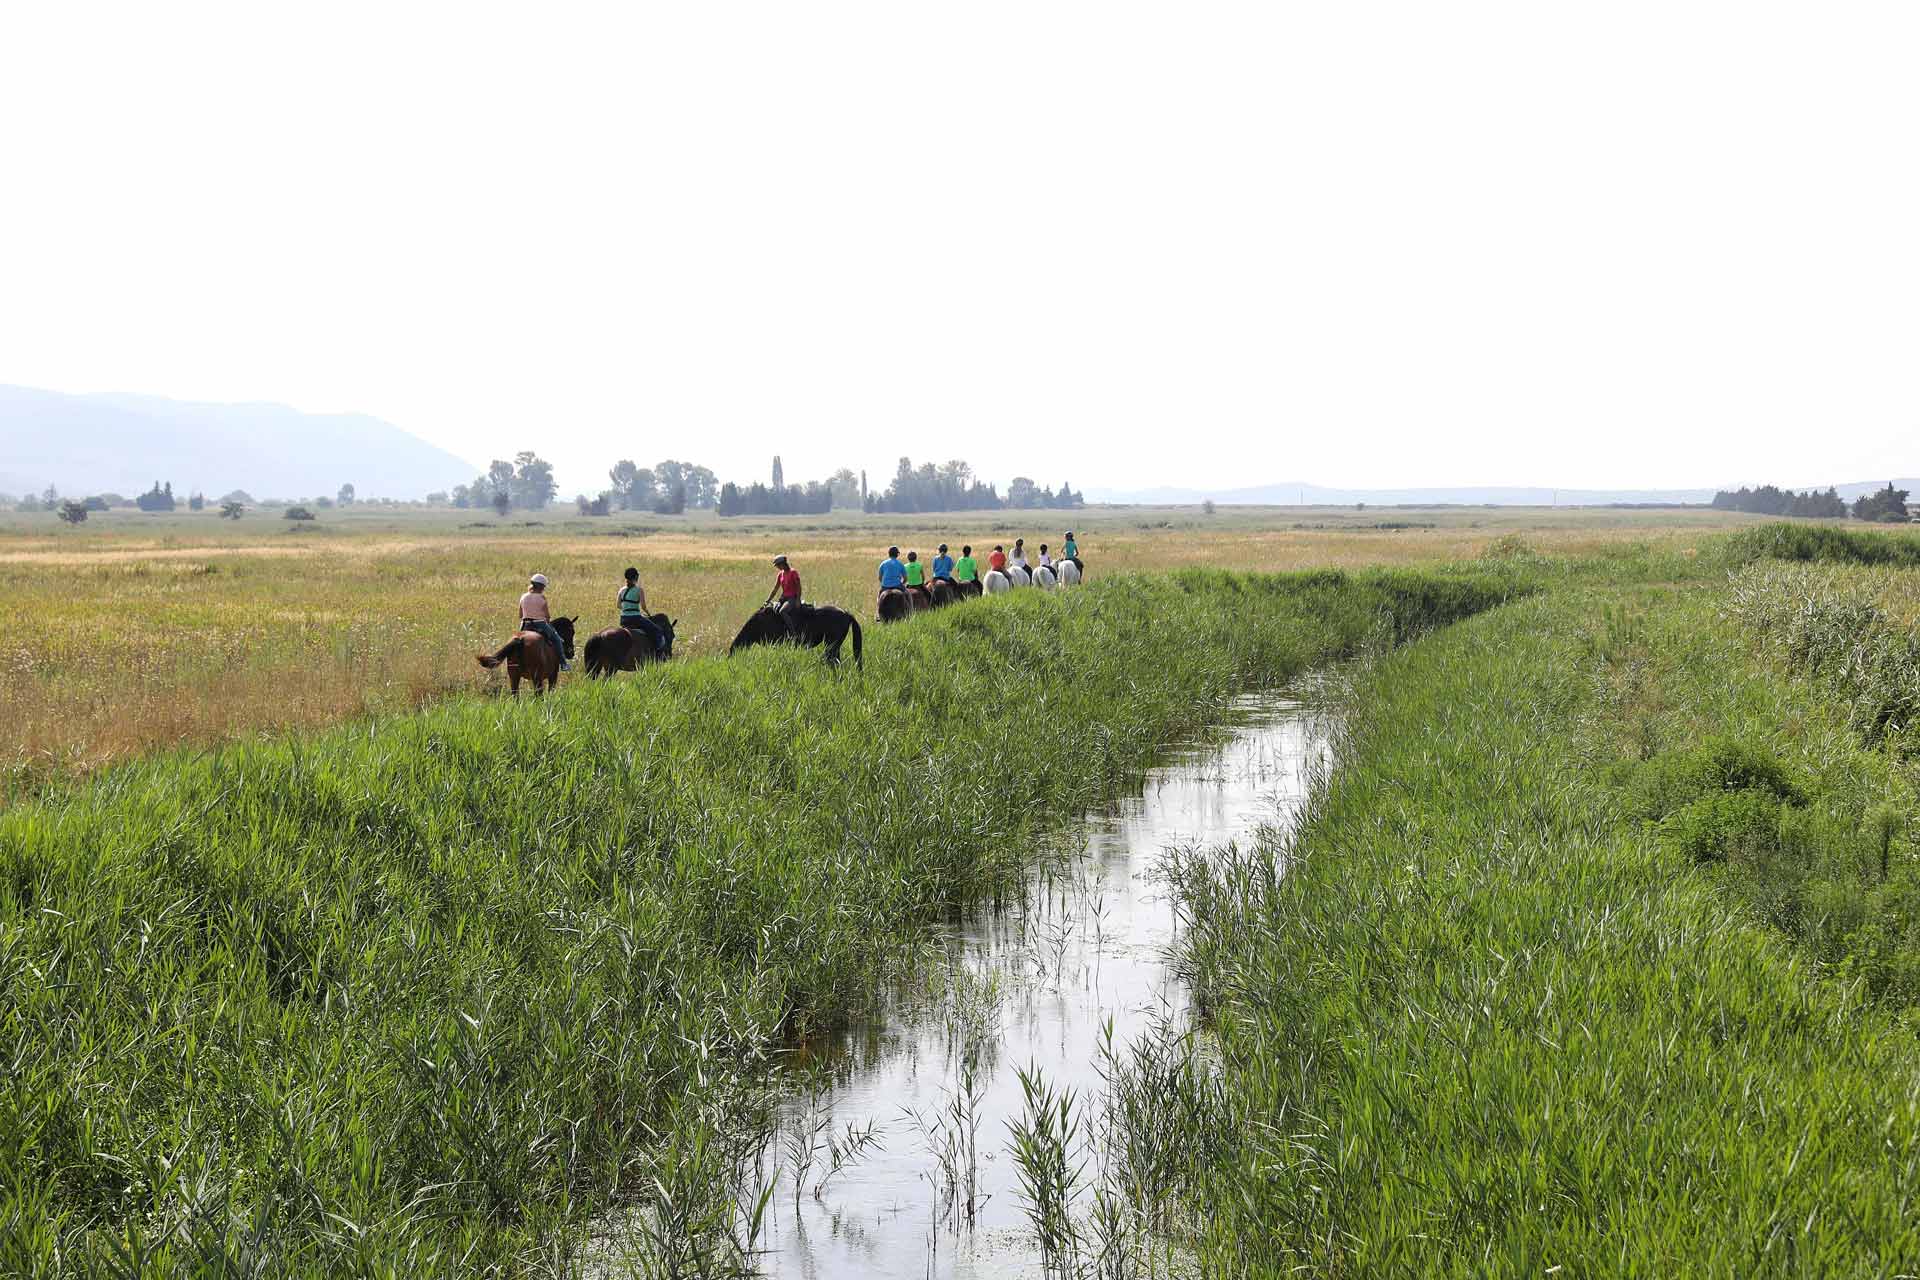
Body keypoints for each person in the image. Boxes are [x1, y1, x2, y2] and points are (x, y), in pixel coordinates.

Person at [518, 573, 569, 670]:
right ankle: (563, 664)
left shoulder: (523, 596)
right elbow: (547, 616)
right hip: (540, 624)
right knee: (557, 640)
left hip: (525, 624)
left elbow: (520, 615)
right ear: (541, 587)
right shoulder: (542, 598)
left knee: (516, 641)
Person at [617, 567, 668, 653]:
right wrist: (648, 614)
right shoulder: (639, 590)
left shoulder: (621, 590)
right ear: (636, 577)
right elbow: (643, 606)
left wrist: (627, 609)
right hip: (636, 618)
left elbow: (618, 605)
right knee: (657, 630)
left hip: (623, 620)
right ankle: (659, 650)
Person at [766, 554, 803, 635]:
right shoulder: (780, 574)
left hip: (792, 598)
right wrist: (768, 600)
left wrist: (798, 600)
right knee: (773, 610)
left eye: (778, 565)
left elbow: (798, 587)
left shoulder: (793, 572)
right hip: (783, 598)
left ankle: (793, 633)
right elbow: (775, 589)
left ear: (783, 564)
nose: (777, 567)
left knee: (783, 611)